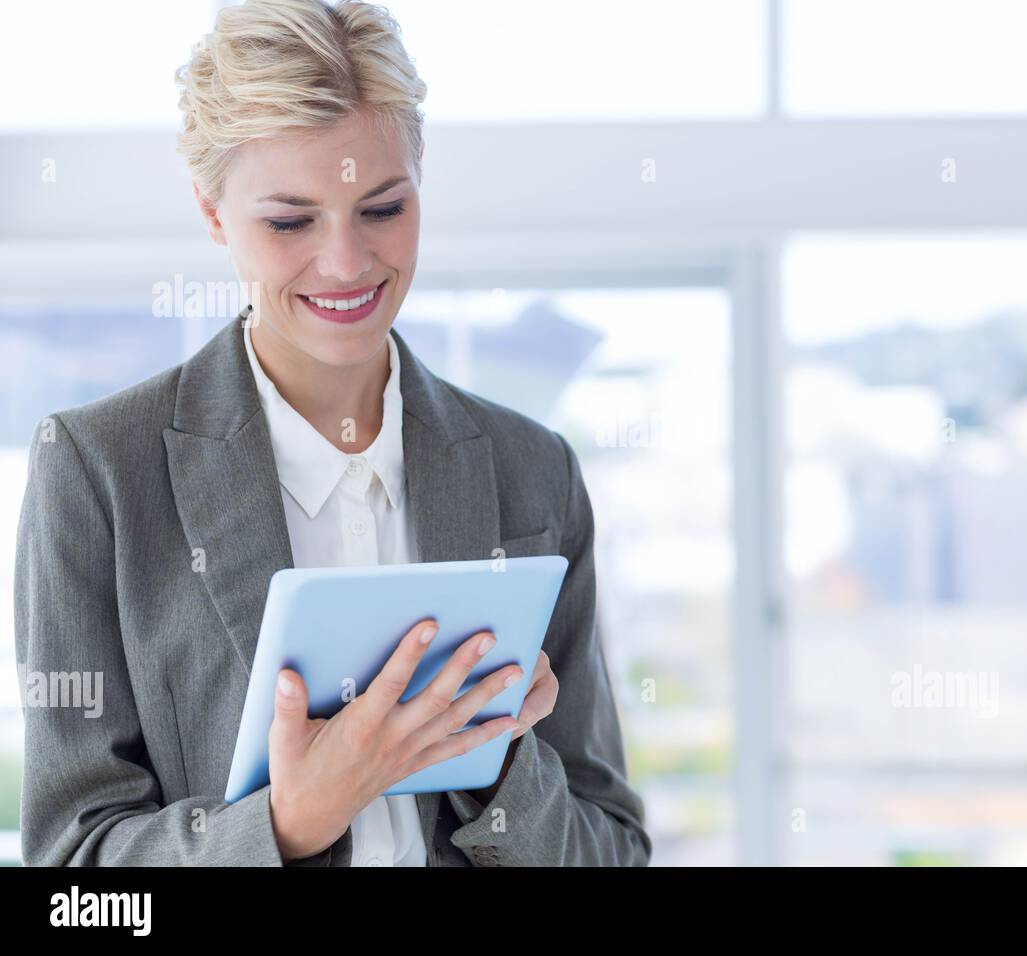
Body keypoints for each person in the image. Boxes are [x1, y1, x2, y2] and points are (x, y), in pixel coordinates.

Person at [13, 0, 650, 867]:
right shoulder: (96, 474)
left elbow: (613, 849)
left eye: (383, 207)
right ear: (213, 215)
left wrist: (499, 765)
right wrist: (287, 823)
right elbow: (73, 885)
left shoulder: (533, 471)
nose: (347, 263)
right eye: (290, 221)